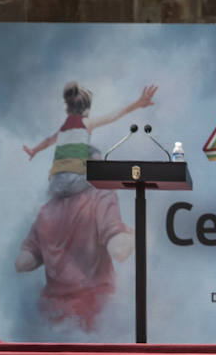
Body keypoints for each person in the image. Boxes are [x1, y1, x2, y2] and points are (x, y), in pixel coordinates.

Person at [15, 82, 158, 332]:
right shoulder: (100, 196)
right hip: (95, 322)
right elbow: (121, 251)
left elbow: (22, 263)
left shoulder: (45, 211)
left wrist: (34, 150)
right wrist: (139, 235)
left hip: (51, 323)